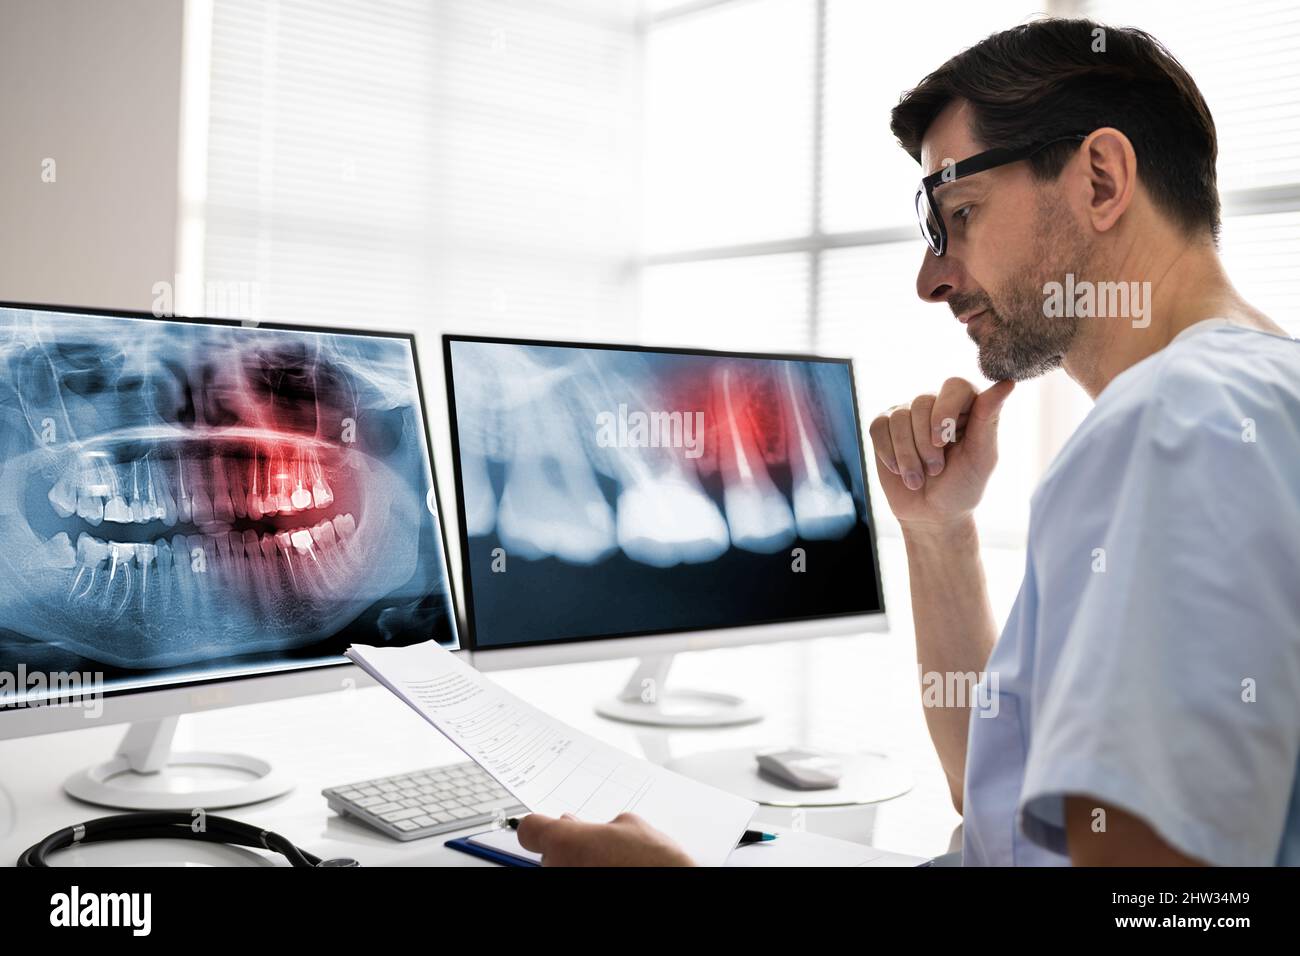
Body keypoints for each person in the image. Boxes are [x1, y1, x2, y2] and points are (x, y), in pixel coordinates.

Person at [518, 18, 1300, 866]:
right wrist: (938, 533)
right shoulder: (1245, 403)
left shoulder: (1174, 423)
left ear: (1102, 179)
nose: (931, 280)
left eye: (960, 213)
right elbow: (1004, 817)